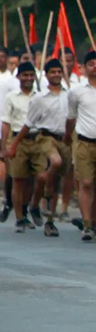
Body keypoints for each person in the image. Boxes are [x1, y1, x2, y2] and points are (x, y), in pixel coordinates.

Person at [15, 59, 68, 236]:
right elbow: (28, 123)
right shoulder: (39, 99)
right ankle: (36, 203)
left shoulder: (70, 95)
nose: (56, 75)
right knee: (55, 163)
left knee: (53, 180)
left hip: (65, 140)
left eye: (59, 72)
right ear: (46, 75)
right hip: (45, 138)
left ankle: (49, 220)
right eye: (52, 72)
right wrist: (14, 144)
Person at [67, 51, 96, 242]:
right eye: (91, 63)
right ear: (84, 68)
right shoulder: (76, 91)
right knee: (85, 183)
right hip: (84, 141)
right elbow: (71, 116)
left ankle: (94, 222)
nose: (95, 66)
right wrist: (69, 136)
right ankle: (86, 224)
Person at [2, 63, 40, 232]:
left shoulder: (39, 97)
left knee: (35, 178)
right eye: (25, 75)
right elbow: (6, 123)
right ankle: (19, 217)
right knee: (18, 180)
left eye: (31, 75)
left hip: (37, 139)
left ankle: (26, 207)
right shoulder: (11, 97)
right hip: (17, 139)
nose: (28, 78)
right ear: (18, 77)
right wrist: (4, 147)